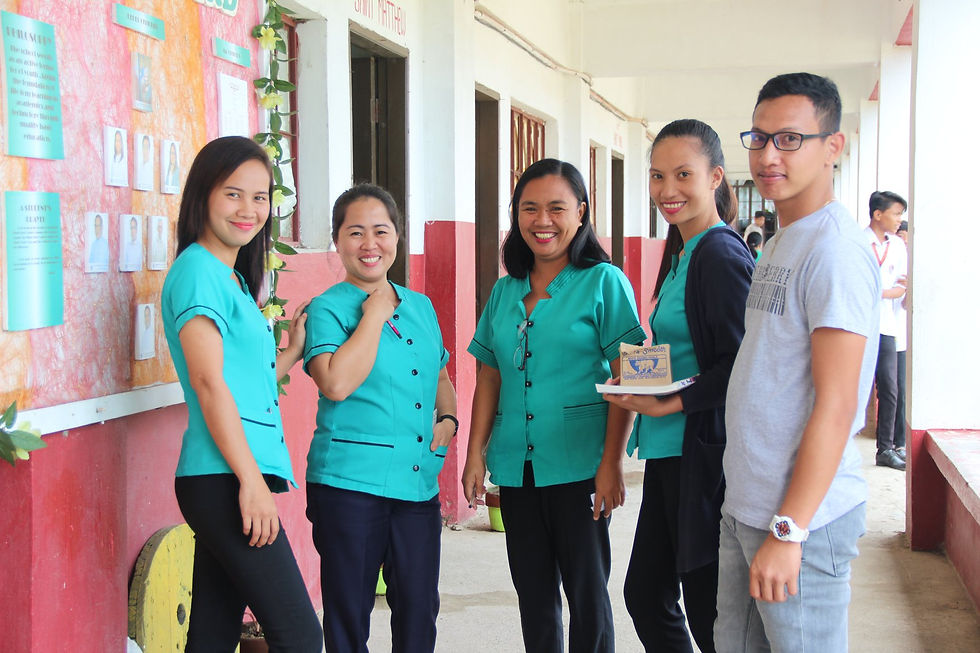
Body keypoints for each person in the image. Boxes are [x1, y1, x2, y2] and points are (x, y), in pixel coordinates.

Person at [718, 73, 880, 652]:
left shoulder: (835, 250)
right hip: (748, 504)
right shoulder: (784, 237)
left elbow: (838, 408)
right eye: (758, 138)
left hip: (801, 521)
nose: (768, 155)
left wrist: (789, 530)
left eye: (789, 139)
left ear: (832, 147)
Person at [462, 158, 645, 653]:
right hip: (516, 470)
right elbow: (490, 374)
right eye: (530, 209)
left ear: (581, 213)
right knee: (533, 596)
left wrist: (611, 464)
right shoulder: (504, 291)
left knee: (587, 594)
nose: (543, 221)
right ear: (516, 216)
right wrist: (475, 452)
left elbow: (628, 374)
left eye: (557, 208)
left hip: (580, 467)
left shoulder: (604, 282)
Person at [160, 135, 321, 652]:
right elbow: (208, 385)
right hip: (224, 476)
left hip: (225, 474)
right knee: (299, 635)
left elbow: (239, 381)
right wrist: (250, 482)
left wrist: (291, 353)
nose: (249, 209)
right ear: (203, 195)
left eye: (259, 197)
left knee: (211, 633)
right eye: (234, 194)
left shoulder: (226, 277)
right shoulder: (198, 273)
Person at [602, 119, 754, 653]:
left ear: (715, 177)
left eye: (683, 174)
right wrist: (638, 374)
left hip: (702, 459)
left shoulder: (718, 255)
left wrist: (669, 403)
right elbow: (686, 348)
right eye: (657, 176)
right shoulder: (683, 251)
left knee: (705, 606)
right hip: (670, 455)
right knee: (647, 592)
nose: (668, 190)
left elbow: (739, 365)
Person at [303, 183, 457, 653]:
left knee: (418, 612)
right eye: (355, 232)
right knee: (350, 615)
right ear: (337, 241)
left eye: (381, 231)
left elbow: (441, 374)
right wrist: (372, 314)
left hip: (417, 484)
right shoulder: (326, 309)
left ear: (397, 236)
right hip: (350, 487)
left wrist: (448, 421)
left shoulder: (422, 306)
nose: (369, 244)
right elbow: (335, 383)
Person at [866, 191, 909, 470]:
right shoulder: (859, 242)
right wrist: (887, 291)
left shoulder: (897, 247)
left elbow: (903, 286)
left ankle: (887, 447)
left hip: (887, 327)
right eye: (895, 214)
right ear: (878, 214)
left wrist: (880, 292)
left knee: (890, 389)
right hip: (859, 326)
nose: (899, 220)